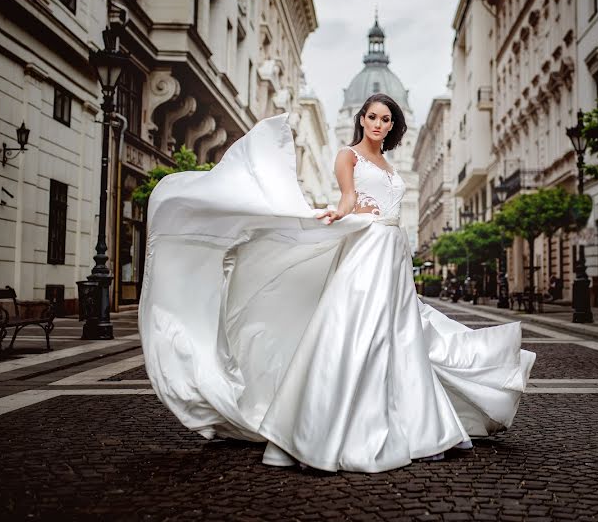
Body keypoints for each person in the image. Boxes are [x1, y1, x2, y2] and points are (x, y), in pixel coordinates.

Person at [138, 93, 536, 473]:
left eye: (387, 119)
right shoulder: (348, 155)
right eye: (373, 117)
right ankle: (329, 430)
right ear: (361, 119)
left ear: (393, 125)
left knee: (400, 336)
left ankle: (416, 425)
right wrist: (334, 213)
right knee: (359, 330)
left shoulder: (389, 164)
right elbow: (348, 199)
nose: (379, 124)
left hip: (394, 252)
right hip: (369, 247)